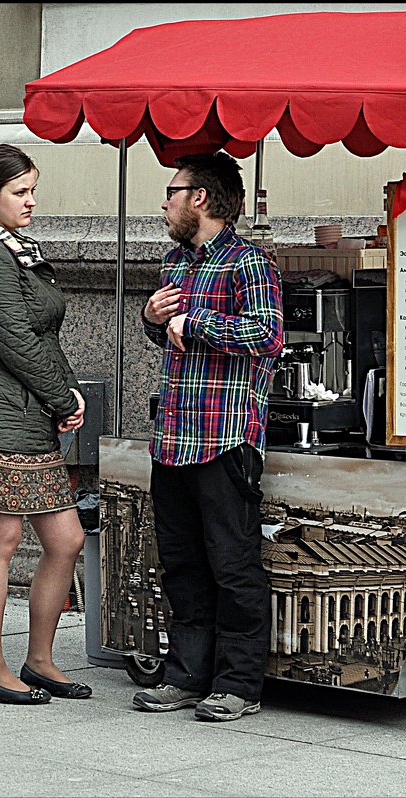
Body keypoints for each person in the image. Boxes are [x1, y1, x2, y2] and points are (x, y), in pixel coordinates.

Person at [133, 151, 283, 722]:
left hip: (225, 438)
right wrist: (152, 319)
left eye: (172, 192)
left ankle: (239, 685)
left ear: (200, 198)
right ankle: (186, 676)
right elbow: (167, 339)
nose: (164, 203)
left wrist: (189, 323)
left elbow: (267, 335)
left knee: (232, 563)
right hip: (173, 436)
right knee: (181, 563)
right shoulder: (175, 262)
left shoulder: (249, 264)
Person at [0, 143, 92, 704]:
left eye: (33, 191)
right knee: (0, 540)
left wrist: (68, 392)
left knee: (66, 538)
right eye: (20, 193)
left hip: (29, 416)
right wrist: (61, 397)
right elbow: (15, 343)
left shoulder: (15, 249)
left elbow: (43, 338)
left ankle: (40, 660)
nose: (31, 203)